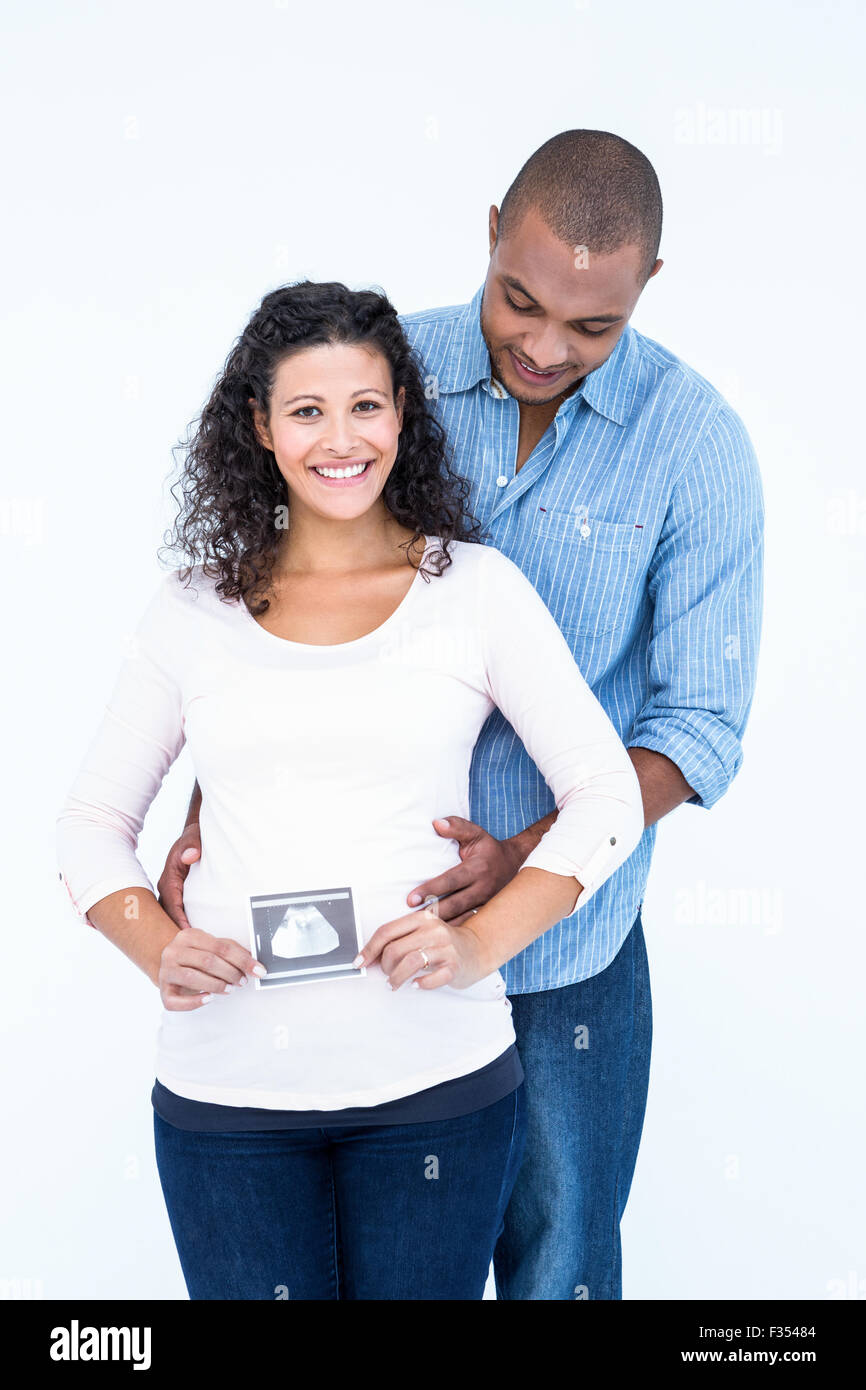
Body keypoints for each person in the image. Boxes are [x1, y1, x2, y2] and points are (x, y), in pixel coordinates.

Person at [159, 129, 765, 1301]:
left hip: (564, 952)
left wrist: (523, 858)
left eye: (590, 327)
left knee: (559, 1264)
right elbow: (268, 605)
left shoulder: (695, 447)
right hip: (353, 958)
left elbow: (698, 725)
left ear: (647, 284)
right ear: (490, 233)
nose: (542, 348)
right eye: (519, 300)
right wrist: (204, 806)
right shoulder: (384, 378)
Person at [55, 279, 645, 1301]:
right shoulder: (192, 610)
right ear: (260, 424)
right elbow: (90, 825)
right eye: (307, 409)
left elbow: (605, 796)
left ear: (403, 413)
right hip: (227, 1099)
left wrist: (477, 943)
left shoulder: (473, 592)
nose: (342, 438)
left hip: (437, 1090)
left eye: (365, 405)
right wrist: (155, 942)